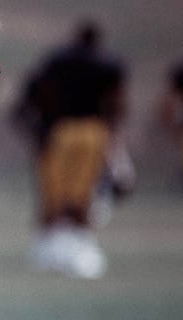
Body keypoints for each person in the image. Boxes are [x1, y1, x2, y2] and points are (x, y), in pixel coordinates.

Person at [14, 20, 129, 279]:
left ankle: (53, 251)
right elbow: (116, 103)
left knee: (54, 195)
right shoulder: (107, 64)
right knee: (80, 196)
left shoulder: (58, 61)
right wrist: (117, 145)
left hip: (61, 131)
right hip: (92, 131)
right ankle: (74, 252)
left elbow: (35, 92)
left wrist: (36, 128)